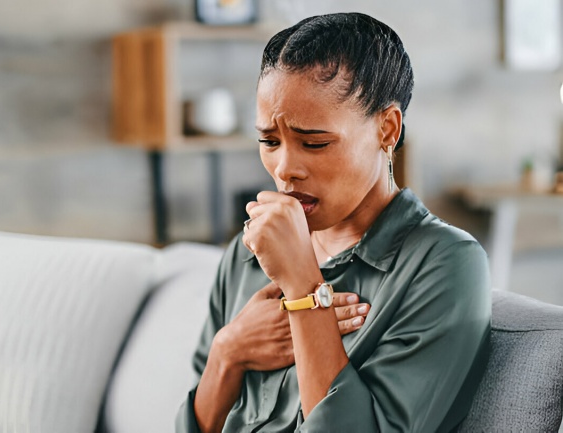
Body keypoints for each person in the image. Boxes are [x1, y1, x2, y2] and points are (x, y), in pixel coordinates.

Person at [176, 12, 491, 433]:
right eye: (269, 141)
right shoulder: (248, 253)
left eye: (315, 142)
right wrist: (229, 350)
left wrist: (305, 290)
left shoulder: (444, 265)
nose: (285, 169)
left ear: (388, 129)